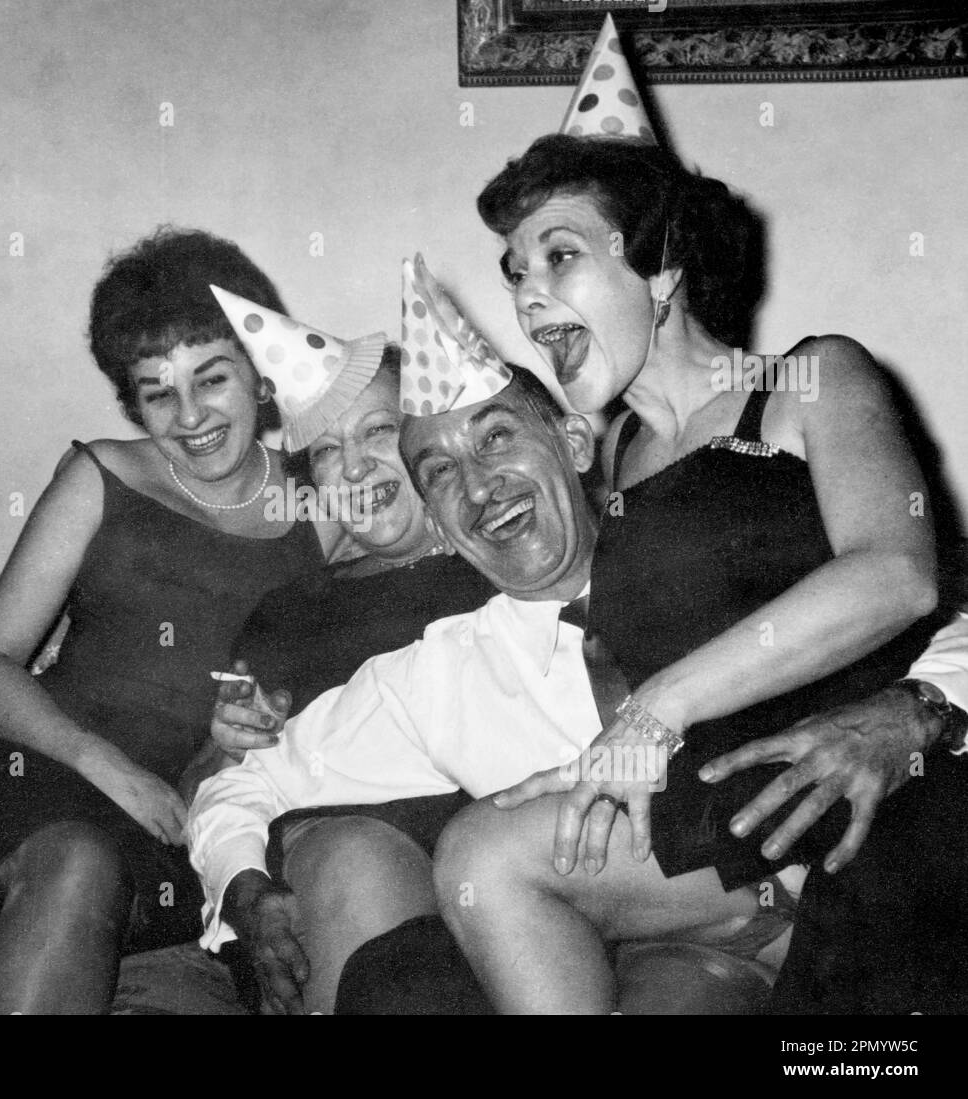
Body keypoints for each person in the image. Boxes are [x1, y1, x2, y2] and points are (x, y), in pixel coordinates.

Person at [188, 326, 968, 1014]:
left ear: (573, 441)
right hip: (683, 956)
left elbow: (923, 604)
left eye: (496, 439)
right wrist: (246, 890)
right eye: (440, 472)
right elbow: (241, 783)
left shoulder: (717, 536)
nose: (479, 486)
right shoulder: (432, 676)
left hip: (873, 887)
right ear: (436, 520)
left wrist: (914, 709)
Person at [443, 31, 960, 1010]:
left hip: (885, 792)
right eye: (514, 271)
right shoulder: (607, 468)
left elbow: (900, 574)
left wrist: (655, 710)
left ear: (664, 267)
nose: (526, 294)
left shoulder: (809, 382)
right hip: (735, 821)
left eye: (559, 255)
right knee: (484, 853)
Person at [0, 228, 327, 1014]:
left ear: (261, 376)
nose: (189, 416)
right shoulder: (102, 475)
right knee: (77, 862)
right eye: (157, 392)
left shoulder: (321, 508)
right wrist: (105, 766)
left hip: (184, 824)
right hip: (43, 772)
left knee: (3, 953)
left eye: (211, 378)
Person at [191, 285, 499, 1012]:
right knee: (360, 866)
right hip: (334, 868)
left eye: (378, 432)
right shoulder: (291, 610)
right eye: (328, 450)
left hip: (499, 852)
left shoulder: (510, 556)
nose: (355, 468)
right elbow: (213, 785)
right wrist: (223, 745)